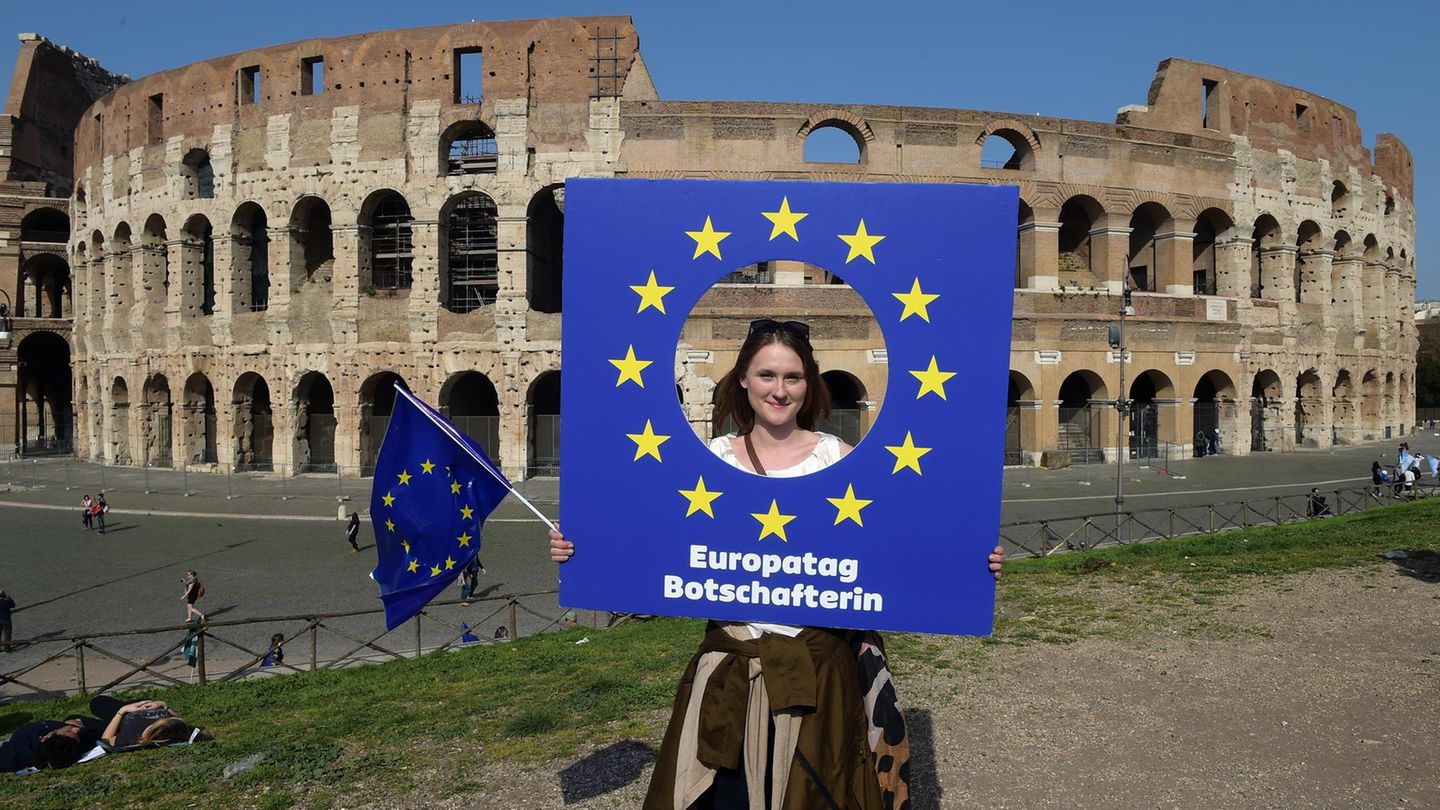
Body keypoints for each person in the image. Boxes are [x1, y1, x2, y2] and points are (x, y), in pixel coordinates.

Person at [550, 318, 1005, 809]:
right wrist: (582, 551)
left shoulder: (839, 459)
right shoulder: (713, 460)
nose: (780, 390)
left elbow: (906, 541)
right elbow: (651, 544)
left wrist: (968, 562)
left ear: (809, 384)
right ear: (743, 378)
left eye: (793, 377)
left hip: (817, 671)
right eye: (767, 375)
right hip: (730, 667)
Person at [0, 716, 100, 772]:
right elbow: (75, 722)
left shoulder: (15, 751)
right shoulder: (61, 746)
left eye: (70, 732)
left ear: (45, 738)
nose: (76, 729)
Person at [90, 696, 195, 750]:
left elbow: (105, 740)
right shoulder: (172, 728)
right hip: (141, 708)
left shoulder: (131, 736)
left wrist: (122, 711)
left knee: (97, 702)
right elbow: (181, 722)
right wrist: (163, 705)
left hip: (126, 714)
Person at [0, 588, 14, 653]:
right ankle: (7, 648)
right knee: (7, 634)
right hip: (6, 620)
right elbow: (13, 605)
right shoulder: (7, 600)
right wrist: (9, 598)